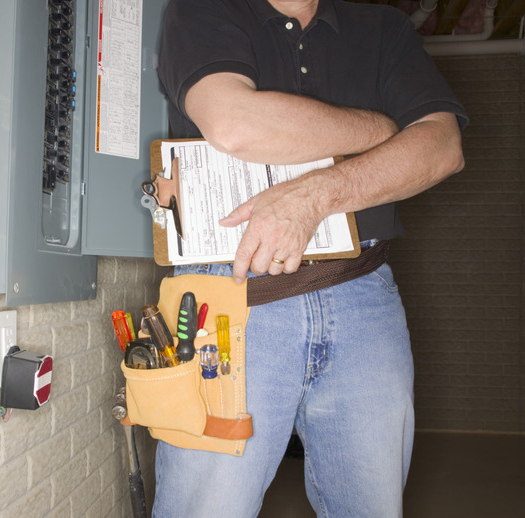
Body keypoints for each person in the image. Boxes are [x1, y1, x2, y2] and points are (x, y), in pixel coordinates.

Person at [154, 0, 468, 516]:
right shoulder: (201, 10)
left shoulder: (383, 28)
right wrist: (381, 130)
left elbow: (441, 146)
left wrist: (315, 195)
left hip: (363, 292)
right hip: (231, 295)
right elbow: (235, 123)